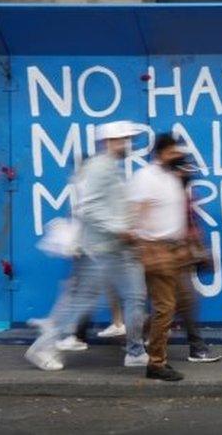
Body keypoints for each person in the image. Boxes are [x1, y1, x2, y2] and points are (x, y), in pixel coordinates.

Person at [24, 121, 148, 371]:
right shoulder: (99, 167)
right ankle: (42, 346)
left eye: (128, 139)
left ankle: (135, 351)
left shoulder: (111, 168)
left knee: (134, 295)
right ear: (109, 141)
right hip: (100, 250)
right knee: (83, 302)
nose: (127, 144)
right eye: (123, 139)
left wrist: (128, 226)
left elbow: (106, 205)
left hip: (117, 249)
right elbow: (88, 207)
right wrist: (120, 228)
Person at [141, 153, 221, 364]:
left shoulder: (183, 192)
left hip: (179, 256)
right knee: (181, 301)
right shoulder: (168, 192)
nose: (188, 174)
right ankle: (195, 347)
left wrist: (197, 248)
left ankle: (144, 339)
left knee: (177, 303)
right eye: (184, 170)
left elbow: (191, 224)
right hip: (166, 256)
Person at [129, 133, 190, 381]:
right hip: (156, 248)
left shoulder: (172, 176)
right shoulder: (146, 177)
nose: (179, 156)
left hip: (174, 249)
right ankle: (155, 363)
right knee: (164, 307)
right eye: (173, 152)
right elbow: (136, 212)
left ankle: (141, 345)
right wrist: (140, 242)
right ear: (162, 153)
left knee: (173, 304)